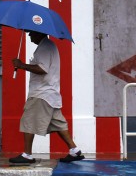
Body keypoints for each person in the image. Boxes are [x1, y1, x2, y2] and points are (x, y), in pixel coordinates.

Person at [9, 30, 84, 165]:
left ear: (39, 33)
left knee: (28, 122)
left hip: (41, 94)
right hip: (50, 94)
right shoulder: (49, 46)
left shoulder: (44, 48)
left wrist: (21, 65)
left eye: (31, 33)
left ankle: (27, 155)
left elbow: (42, 69)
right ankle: (74, 150)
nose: (29, 35)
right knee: (58, 124)